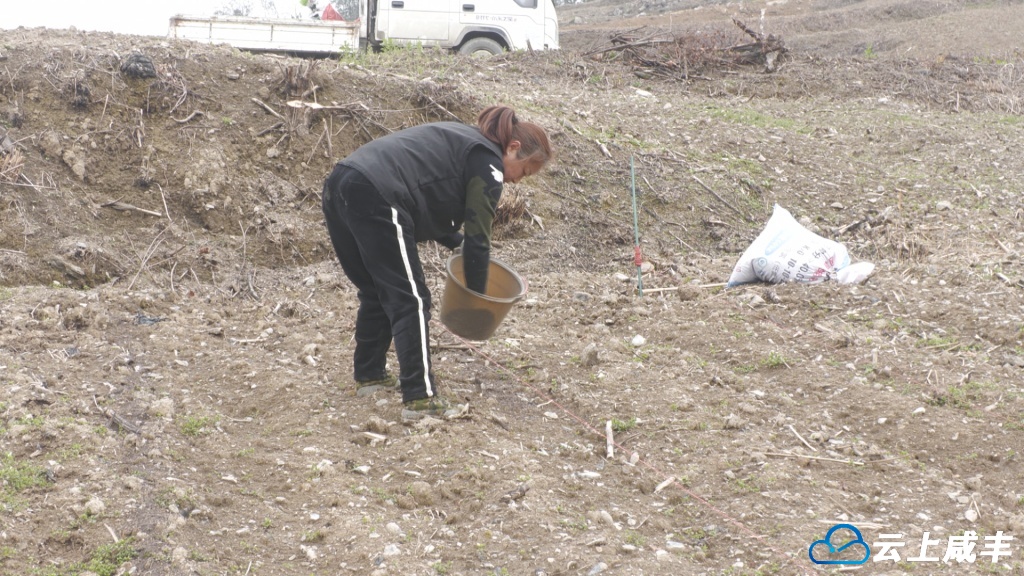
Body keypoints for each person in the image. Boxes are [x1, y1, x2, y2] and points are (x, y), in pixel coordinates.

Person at [321, 106, 552, 421]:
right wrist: (475, 299)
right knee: (412, 300)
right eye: (523, 171)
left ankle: (370, 375)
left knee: (377, 290)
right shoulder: (488, 162)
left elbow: (428, 194)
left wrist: (457, 243)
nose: (517, 181)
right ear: (513, 148)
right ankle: (420, 397)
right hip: (378, 193)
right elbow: (479, 238)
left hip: (342, 182)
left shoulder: (464, 140)